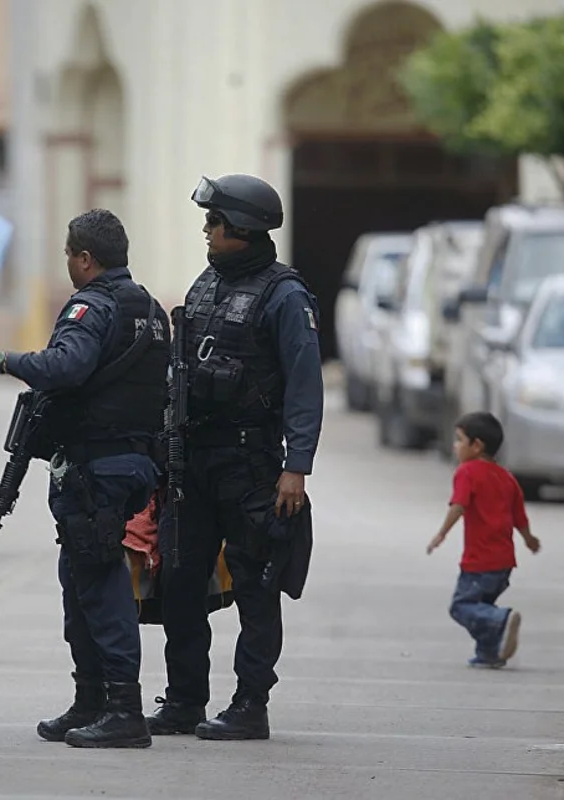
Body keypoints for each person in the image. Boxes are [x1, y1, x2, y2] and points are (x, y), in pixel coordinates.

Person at [0, 209, 169, 749]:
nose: (67, 264)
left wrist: (4, 359)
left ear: (85, 258)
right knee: (81, 580)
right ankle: (91, 699)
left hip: (98, 467)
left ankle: (122, 709)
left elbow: (65, 367)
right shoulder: (151, 310)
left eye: (69, 255)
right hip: (131, 462)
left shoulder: (93, 306)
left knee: (101, 584)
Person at [148, 174, 323, 742]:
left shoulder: (285, 295)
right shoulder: (206, 282)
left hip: (250, 465)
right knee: (180, 580)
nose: (206, 228)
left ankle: (250, 705)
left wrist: (297, 466)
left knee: (255, 585)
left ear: (241, 230)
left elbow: (304, 384)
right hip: (191, 460)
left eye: (214, 221)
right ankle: (184, 701)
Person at [427, 411, 541, 668]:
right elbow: (519, 517)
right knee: (483, 605)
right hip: (504, 565)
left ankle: (501, 619)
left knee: (462, 606)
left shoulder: (467, 472)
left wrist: (441, 533)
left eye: (459, 440)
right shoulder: (507, 478)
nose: (455, 446)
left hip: (479, 562)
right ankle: (489, 653)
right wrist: (529, 540)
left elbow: (459, 505)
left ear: (476, 445)